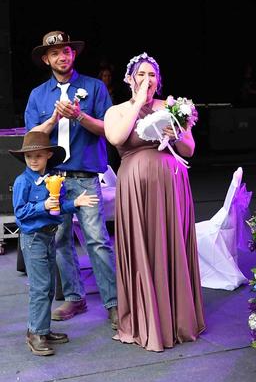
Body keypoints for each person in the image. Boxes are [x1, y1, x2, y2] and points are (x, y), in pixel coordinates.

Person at [103, 52, 205, 352]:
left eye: (152, 75)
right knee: (143, 248)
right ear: (130, 79)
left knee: (169, 245)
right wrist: (137, 103)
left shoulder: (171, 107)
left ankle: (177, 319)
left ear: (158, 80)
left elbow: (189, 149)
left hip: (171, 184)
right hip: (135, 189)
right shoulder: (118, 111)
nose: (148, 80)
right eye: (142, 75)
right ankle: (147, 320)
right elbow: (117, 138)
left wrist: (175, 134)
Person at [25, 31, 118, 328]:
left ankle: (113, 303)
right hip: (53, 179)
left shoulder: (94, 87)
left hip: (85, 177)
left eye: (66, 51)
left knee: (97, 240)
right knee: (60, 239)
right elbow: (32, 140)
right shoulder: (38, 95)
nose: (61, 57)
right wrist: (53, 119)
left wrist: (79, 116)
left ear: (73, 55)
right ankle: (75, 298)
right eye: (55, 54)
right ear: (46, 59)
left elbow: (109, 130)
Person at [11, 131, 98, 356]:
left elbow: (58, 207)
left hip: (49, 237)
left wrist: (74, 203)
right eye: (29, 157)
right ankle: (35, 333)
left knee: (48, 287)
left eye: (38, 156)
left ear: (48, 155)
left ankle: (43, 329)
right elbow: (20, 214)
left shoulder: (53, 179)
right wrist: (43, 207)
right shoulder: (23, 182)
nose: (33, 160)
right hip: (34, 240)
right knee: (40, 288)